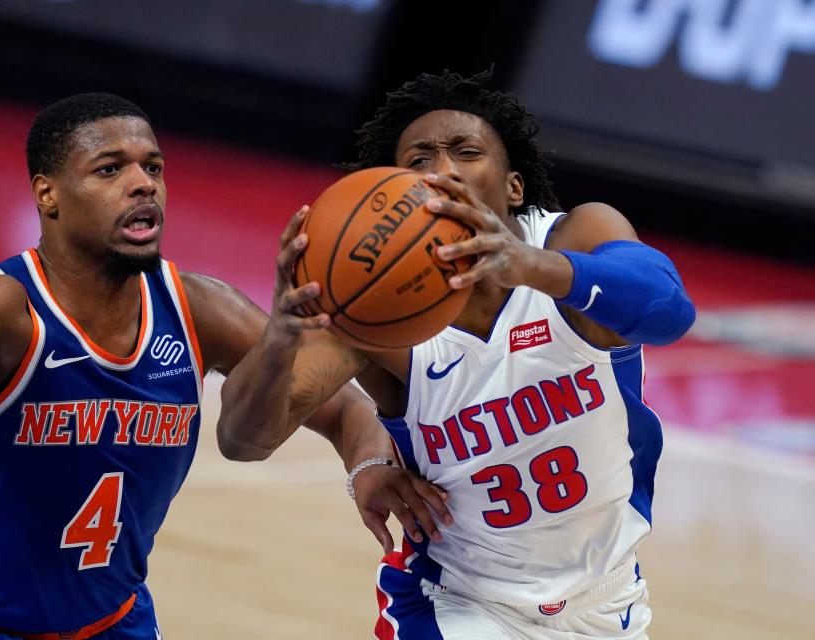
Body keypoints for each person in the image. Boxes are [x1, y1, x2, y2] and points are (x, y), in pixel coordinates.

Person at [0, 92, 447, 639]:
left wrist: (367, 461)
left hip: (111, 623)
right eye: (109, 169)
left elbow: (345, 405)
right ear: (47, 196)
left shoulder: (197, 307)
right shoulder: (4, 306)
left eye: (153, 166)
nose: (143, 183)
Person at [217, 68, 696, 639]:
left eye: (466, 152)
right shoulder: (374, 316)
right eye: (418, 161)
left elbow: (670, 311)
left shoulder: (576, 238)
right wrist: (282, 338)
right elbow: (243, 440)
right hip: (457, 603)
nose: (442, 170)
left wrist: (531, 268)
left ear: (513, 187)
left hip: (608, 599)